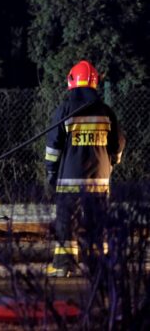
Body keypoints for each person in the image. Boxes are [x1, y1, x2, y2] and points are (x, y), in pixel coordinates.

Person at [44, 60, 125, 277]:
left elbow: (53, 147)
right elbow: (117, 144)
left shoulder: (64, 110)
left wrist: (51, 172)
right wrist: (112, 163)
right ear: (95, 82)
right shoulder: (106, 112)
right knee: (97, 222)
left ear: (71, 81)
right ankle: (98, 266)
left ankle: (63, 266)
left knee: (66, 222)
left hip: (69, 181)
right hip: (99, 181)